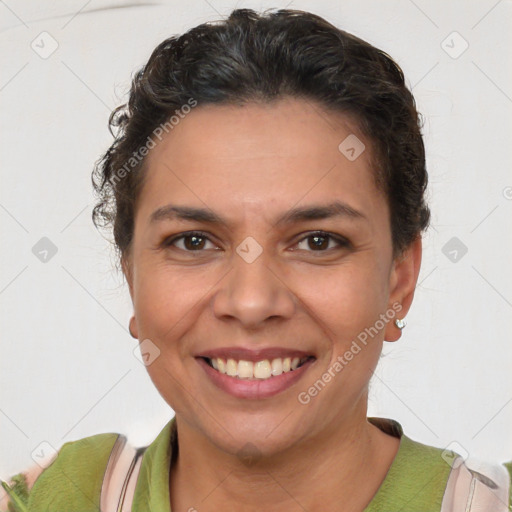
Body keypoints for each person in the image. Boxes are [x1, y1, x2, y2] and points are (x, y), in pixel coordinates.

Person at [1, 7, 511, 512]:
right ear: (131, 275)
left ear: (400, 280)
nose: (250, 303)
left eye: (317, 241)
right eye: (194, 241)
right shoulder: (52, 500)